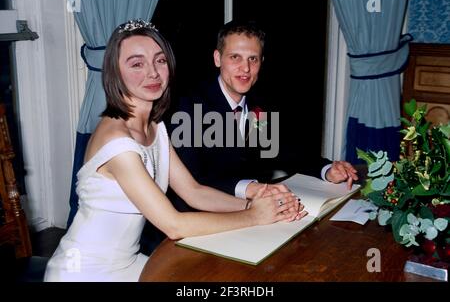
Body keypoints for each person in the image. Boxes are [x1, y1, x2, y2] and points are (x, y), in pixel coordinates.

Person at [44, 19, 306, 282]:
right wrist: (252, 216)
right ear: (115, 72)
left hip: (132, 262)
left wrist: (260, 205)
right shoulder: (117, 142)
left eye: (159, 61)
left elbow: (194, 192)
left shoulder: (155, 127)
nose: (152, 73)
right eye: (137, 64)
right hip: (85, 272)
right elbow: (174, 225)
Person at [162, 20, 358, 211]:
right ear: (217, 58)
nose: (245, 68)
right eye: (235, 57)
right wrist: (251, 188)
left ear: (261, 62)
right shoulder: (187, 106)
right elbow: (192, 180)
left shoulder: (259, 103)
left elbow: (283, 152)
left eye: (252, 59)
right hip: (198, 217)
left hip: (251, 213)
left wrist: (327, 170)